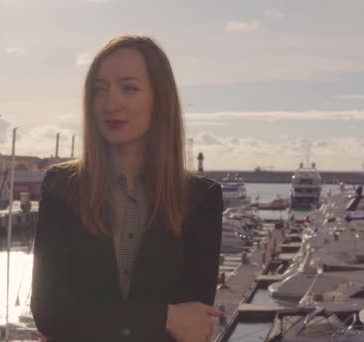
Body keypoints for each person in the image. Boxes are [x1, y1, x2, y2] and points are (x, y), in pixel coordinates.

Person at [30, 35, 223, 342]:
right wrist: (166, 316)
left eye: (129, 88)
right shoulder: (62, 188)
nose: (110, 103)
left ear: (159, 99)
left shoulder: (201, 198)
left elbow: (194, 326)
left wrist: (95, 318)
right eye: (99, 90)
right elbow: (50, 312)